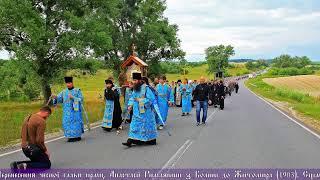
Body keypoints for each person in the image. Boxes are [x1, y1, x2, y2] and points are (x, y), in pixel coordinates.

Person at [10, 106, 52, 171]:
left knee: (38, 162)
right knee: (47, 164)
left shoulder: (27, 117)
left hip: (24, 148)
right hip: (34, 150)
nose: (46, 118)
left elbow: (22, 135)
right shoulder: (41, 121)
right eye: (48, 116)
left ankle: (17, 164)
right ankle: (24, 166)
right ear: (46, 112)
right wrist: (45, 150)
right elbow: (39, 141)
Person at [122, 72, 158, 147]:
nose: (134, 82)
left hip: (145, 111)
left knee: (145, 126)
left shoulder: (146, 88)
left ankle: (149, 140)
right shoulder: (135, 88)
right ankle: (130, 140)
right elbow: (132, 97)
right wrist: (130, 104)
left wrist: (140, 100)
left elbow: (151, 99)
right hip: (136, 111)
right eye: (133, 80)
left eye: (135, 80)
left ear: (139, 80)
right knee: (134, 125)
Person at [52, 77, 84, 142]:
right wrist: (55, 97)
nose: (68, 84)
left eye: (69, 83)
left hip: (75, 111)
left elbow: (81, 99)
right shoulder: (64, 92)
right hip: (66, 111)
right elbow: (59, 99)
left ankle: (77, 136)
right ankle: (69, 136)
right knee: (66, 123)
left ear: (72, 83)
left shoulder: (77, 90)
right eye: (67, 83)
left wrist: (73, 97)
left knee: (75, 123)